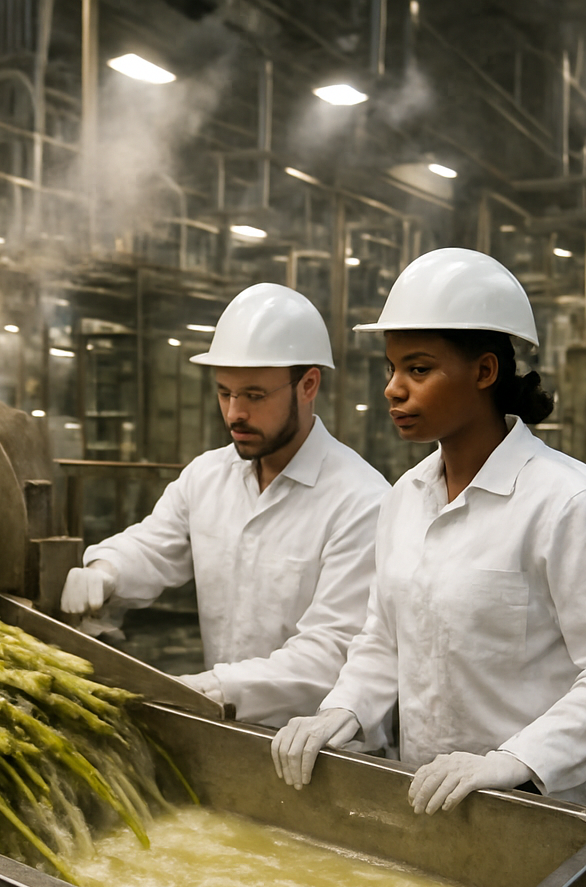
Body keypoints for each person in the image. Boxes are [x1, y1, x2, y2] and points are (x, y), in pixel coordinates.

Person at [271, 248, 586, 817]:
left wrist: (516, 760)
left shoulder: (568, 502)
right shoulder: (405, 498)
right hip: (432, 802)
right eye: (391, 369)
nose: (393, 389)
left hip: (551, 814)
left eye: (418, 369)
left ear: (484, 372)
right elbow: (384, 639)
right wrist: (343, 710)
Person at [60, 283, 390, 727]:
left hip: (322, 743)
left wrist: (218, 687)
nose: (234, 413)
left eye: (254, 395)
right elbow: (154, 546)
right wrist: (106, 570)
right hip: (228, 727)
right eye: (224, 393)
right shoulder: (207, 476)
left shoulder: (360, 500)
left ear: (309, 384)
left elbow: (332, 652)